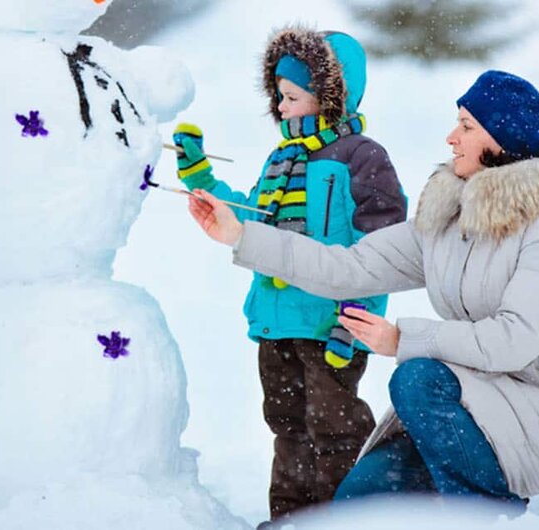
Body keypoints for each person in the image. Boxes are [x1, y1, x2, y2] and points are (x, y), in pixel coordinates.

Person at [186, 70, 539, 514]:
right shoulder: (448, 221)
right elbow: (349, 267)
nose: (451, 138)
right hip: (465, 404)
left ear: (500, 140)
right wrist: (241, 236)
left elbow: (512, 341)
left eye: (466, 127)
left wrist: (401, 341)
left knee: (416, 376)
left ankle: (487, 514)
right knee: (357, 504)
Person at [170, 27, 407, 521]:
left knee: (335, 427)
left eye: (292, 96)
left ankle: (347, 518)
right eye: (278, 96)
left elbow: (384, 250)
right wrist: (200, 180)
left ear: (328, 96)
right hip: (278, 322)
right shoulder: (281, 159)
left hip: (330, 326)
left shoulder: (362, 158)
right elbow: (252, 218)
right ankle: (291, 518)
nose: (280, 107)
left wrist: (355, 322)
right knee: (288, 425)